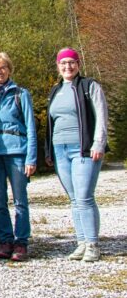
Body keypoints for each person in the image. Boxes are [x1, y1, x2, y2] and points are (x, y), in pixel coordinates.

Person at [46, 47, 108, 262]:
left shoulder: (89, 86)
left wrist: (98, 143)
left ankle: (92, 244)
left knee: (84, 197)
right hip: (59, 150)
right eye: (63, 63)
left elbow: (101, 115)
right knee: (74, 199)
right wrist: (49, 151)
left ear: (78, 64)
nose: (67, 66)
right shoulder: (55, 90)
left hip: (83, 148)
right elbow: (51, 123)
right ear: (58, 66)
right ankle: (81, 243)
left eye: (71, 62)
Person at [0, 52, 37, 262]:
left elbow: (31, 127)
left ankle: (21, 242)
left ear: (9, 69)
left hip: (17, 152)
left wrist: (31, 158)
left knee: (20, 200)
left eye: (3, 67)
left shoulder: (21, 94)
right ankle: (5, 240)